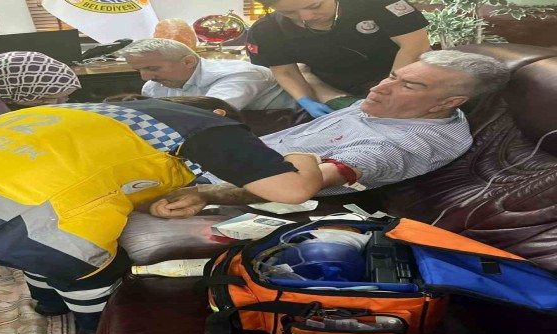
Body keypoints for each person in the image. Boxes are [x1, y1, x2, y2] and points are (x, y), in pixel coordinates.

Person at [0, 96, 323, 334]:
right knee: (87, 256)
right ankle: (95, 331)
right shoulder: (211, 128)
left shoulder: (101, 114)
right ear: (222, 119)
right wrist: (302, 154)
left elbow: (97, 174)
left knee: (37, 231)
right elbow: (293, 189)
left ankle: (47, 303)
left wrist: (180, 195)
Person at [148, 50, 510, 219]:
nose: (380, 87)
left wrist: (199, 193)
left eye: (409, 85)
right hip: (200, 157)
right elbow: (334, 99)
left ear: (448, 103)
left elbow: (300, 184)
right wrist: (308, 84)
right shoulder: (392, 104)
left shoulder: (408, 144)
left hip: (208, 181)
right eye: (393, 76)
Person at [246, 0, 431, 118]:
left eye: (315, 6)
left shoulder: (379, 3)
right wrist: (306, 101)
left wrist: (388, 89)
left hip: (401, 71)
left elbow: (415, 46)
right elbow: (285, 71)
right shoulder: (267, 30)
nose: (306, 17)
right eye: (289, 13)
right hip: (333, 82)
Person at [119, 38, 299, 111]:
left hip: (283, 137)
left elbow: (210, 115)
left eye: (154, 68)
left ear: (188, 62)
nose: (145, 77)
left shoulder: (240, 74)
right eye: (139, 70)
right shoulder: (153, 87)